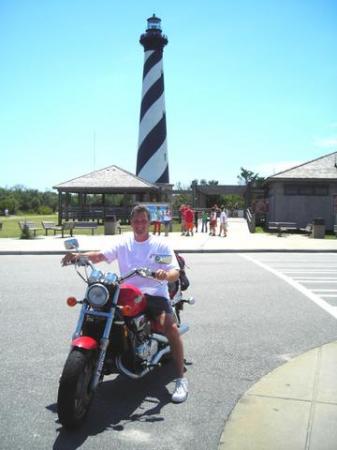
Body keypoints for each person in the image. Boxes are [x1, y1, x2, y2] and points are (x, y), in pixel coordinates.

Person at [61, 205, 188, 403]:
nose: (140, 224)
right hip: (127, 293)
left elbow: (174, 271)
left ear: (149, 222)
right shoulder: (123, 243)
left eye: (143, 221)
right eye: (136, 221)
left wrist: (165, 274)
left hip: (154, 293)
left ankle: (181, 378)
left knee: (170, 327)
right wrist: (79, 256)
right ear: (131, 222)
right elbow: (100, 255)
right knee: (96, 312)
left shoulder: (160, 245)